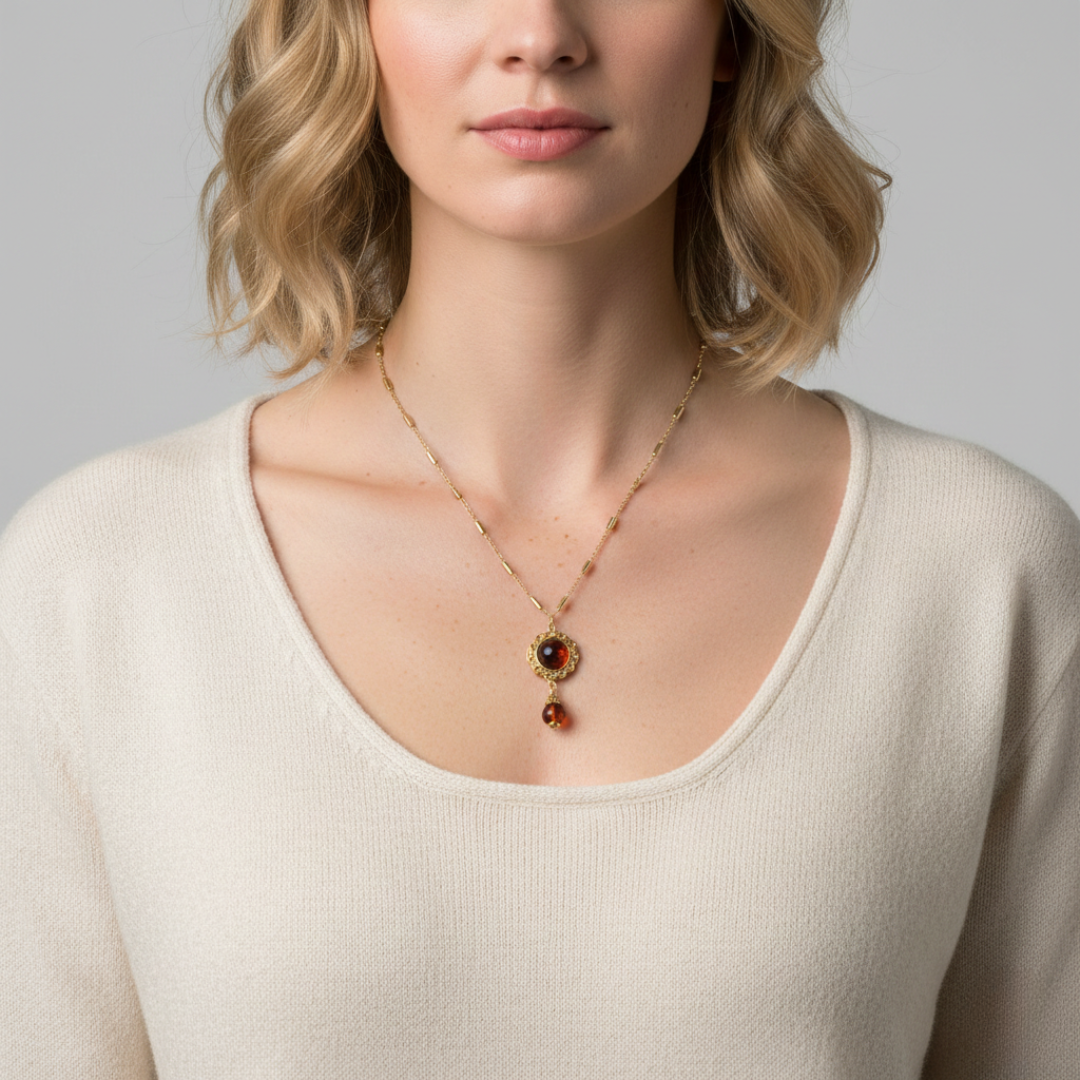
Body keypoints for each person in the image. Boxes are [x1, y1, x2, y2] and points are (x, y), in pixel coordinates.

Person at [2, 0, 1077, 1075]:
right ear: (351, 23)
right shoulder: (100, 579)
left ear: (734, 31)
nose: (541, 34)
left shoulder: (976, 570)